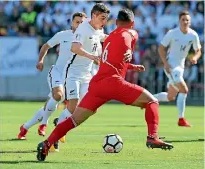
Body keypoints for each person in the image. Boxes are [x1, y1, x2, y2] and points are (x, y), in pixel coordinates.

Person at [36, 8, 174, 161]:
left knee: (74, 119)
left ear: (115, 22)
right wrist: (129, 50)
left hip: (97, 85)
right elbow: (127, 39)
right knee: (152, 101)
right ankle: (152, 137)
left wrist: (130, 66)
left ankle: (46, 144)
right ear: (132, 23)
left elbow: (108, 60)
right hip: (114, 83)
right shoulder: (129, 33)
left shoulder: (107, 38)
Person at [49, 3, 110, 152]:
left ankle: (61, 122)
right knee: (73, 105)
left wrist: (120, 38)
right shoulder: (83, 28)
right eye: (102, 18)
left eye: (106, 19)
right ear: (94, 15)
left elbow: (103, 37)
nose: (104, 22)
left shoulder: (98, 29)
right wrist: (92, 57)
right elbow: (74, 48)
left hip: (87, 76)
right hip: (73, 73)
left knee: (90, 108)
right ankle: (53, 138)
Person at [17, 12, 87, 140]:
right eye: (77, 22)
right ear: (72, 23)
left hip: (71, 78)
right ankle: (44, 124)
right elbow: (46, 46)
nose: (79, 24)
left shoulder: (88, 38)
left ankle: (25, 127)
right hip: (57, 72)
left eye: (82, 22)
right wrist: (41, 60)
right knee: (58, 96)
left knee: (51, 104)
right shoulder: (63, 35)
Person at [153, 11, 201, 127]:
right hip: (171, 66)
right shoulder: (172, 33)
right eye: (183, 19)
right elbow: (161, 48)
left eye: (187, 20)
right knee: (184, 90)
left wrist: (195, 57)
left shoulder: (193, 35)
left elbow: (198, 50)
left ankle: (148, 99)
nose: (185, 22)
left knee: (170, 96)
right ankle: (181, 119)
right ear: (179, 21)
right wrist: (165, 63)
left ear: (190, 22)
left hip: (180, 66)